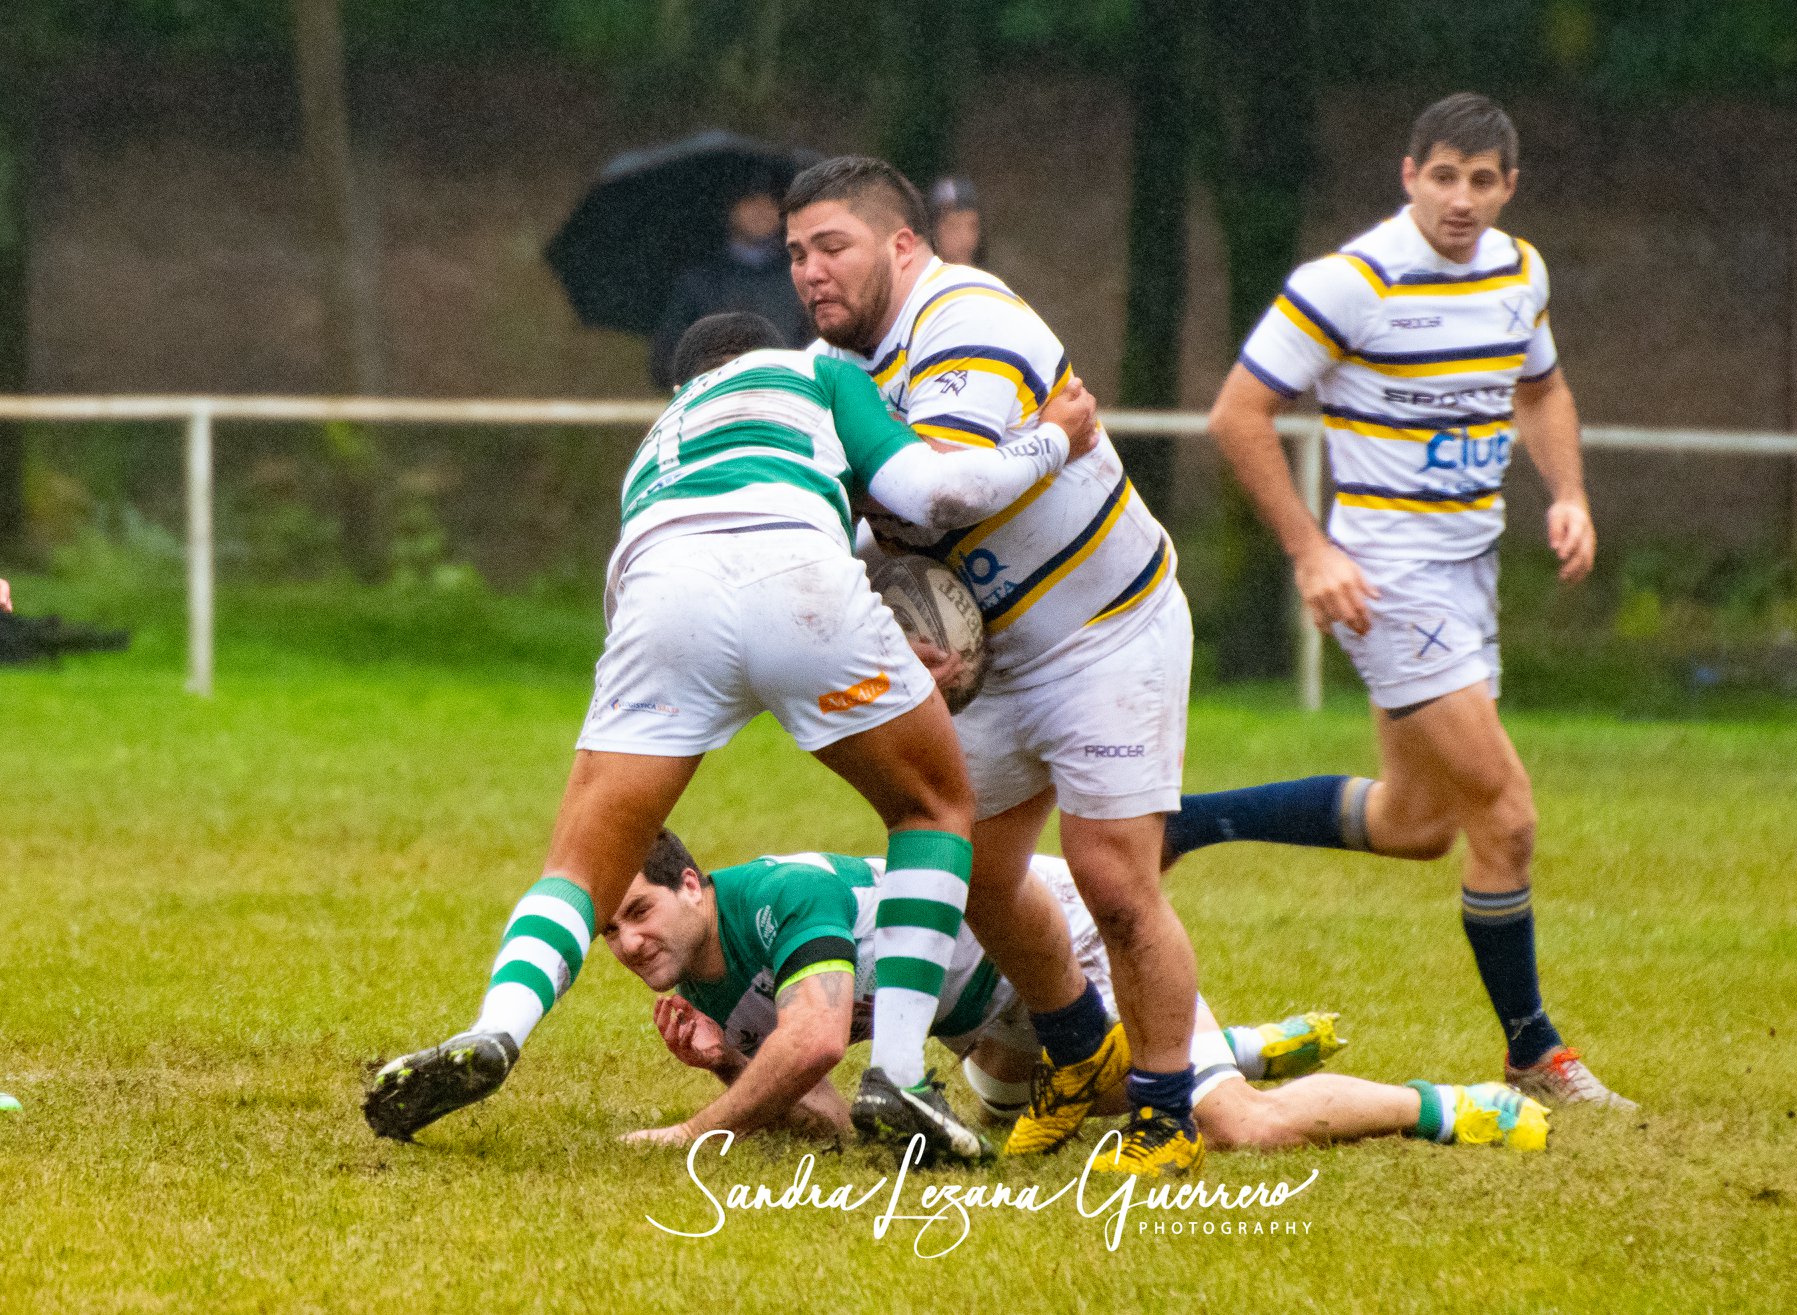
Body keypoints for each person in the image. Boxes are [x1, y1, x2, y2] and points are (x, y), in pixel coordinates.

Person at [364, 311, 1101, 1157]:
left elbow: (675, 596)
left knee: (580, 865)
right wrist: (1051, 437)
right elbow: (932, 494)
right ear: (771, 351)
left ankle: (497, 1029)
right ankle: (898, 1073)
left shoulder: (661, 440)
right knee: (931, 807)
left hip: (661, 597)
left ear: (682, 386)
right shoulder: (816, 375)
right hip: (796, 574)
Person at [1203, 92, 1634, 1110]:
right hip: (1387, 576)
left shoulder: (1517, 272)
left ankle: (1181, 823)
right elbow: (1237, 414)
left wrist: (1566, 492)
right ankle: (1532, 1048)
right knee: (1506, 814)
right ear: (1408, 175)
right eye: (1443, 175)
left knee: (1413, 821)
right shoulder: (1347, 283)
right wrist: (1310, 552)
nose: (1461, 198)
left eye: (1482, 180)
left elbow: (1540, 389)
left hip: (1468, 567)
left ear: (1506, 188)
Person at [785, 157, 1210, 1175]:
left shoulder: (964, 318)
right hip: (999, 661)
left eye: (832, 246)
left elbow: (940, 498)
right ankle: (1075, 1046)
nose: (809, 271)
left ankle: (1163, 1112)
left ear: (902, 245)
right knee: (962, 865)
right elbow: (851, 533)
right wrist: (898, 627)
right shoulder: (830, 371)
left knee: (1112, 878)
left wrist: (1040, 449)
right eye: (795, 253)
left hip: (1107, 629)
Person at [605, 832, 1550, 1155]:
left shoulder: (777, 898)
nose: (630, 940)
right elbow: (844, 1119)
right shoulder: (704, 984)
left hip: (1064, 945)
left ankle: (1452, 1105)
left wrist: (693, 1133)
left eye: (640, 908)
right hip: (993, 1035)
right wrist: (730, 1062)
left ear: (693, 882)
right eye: (610, 930)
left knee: (1231, 1127)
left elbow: (812, 1045)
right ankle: (1245, 1042)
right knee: (1022, 1113)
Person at [649, 188, 813, 389]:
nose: (761, 211)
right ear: (729, 208)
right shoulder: (700, 280)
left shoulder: (802, 275)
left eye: (771, 203)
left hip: (787, 397)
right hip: (714, 400)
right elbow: (666, 361)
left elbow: (817, 351)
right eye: (751, 201)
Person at [928, 176, 986, 268]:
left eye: (972, 227)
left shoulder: (984, 280)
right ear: (934, 229)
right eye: (954, 227)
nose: (966, 237)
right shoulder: (920, 279)